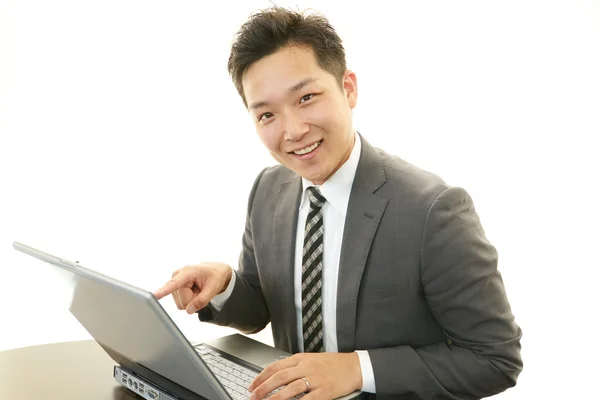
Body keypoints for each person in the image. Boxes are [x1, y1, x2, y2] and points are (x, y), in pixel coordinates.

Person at [154, 6, 523, 400]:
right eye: (266, 115)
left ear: (348, 88)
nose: (293, 131)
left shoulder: (433, 210)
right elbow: (265, 306)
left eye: (307, 97)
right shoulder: (268, 189)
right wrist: (226, 285)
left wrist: (357, 368)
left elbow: (494, 358)